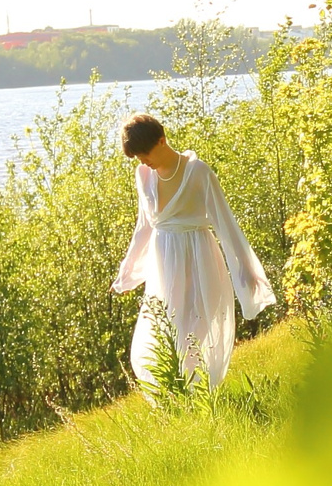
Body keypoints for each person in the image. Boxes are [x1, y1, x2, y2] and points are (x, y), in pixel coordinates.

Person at [111, 113, 273, 392]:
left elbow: (226, 223)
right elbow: (144, 227)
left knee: (196, 325)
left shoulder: (198, 172)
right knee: (162, 328)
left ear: (162, 140)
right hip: (163, 263)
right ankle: (173, 393)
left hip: (199, 258)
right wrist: (128, 274)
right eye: (137, 157)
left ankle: (197, 392)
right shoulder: (144, 175)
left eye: (144, 153)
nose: (142, 161)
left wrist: (246, 270)